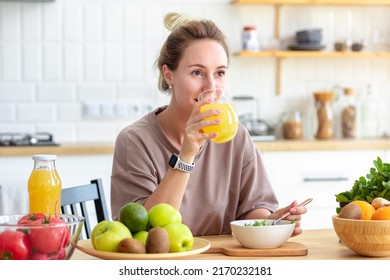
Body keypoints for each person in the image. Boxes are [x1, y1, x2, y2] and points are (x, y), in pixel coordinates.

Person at [111, 12, 307, 237]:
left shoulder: (236, 137)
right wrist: (187, 155)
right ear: (169, 75)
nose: (211, 87)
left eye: (220, 73)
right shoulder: (135, 141)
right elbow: (142, 231)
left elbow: (253, 209)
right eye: (197, 72)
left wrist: (272, 223)